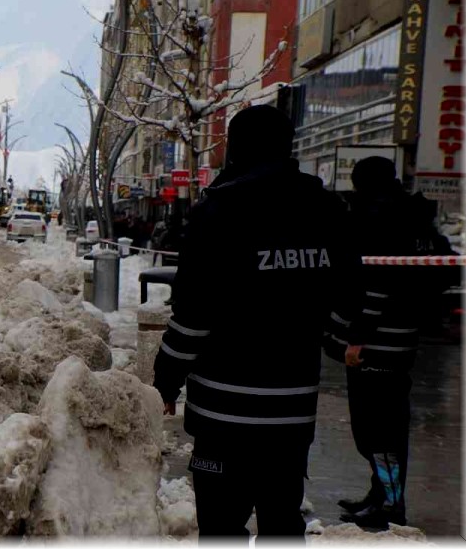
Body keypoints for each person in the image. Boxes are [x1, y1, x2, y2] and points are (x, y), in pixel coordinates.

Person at [153, 105, 361, 542]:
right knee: (283, 525)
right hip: (292, 415)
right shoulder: (329, 211)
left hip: (223, 415)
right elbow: (347, 299)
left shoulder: (218, 214)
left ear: (236, 148)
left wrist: (165, 382)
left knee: (222, 528)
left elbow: (192, 319)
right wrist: (333, 338)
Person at [324, 156, 455, 530]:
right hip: (403, 337)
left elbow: (375, 284)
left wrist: (356, 338)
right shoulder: (414, 216)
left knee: (377, 429)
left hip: (375, 342)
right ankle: (381, 494)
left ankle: (390, 505)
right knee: (383, 426)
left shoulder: (377, 217)